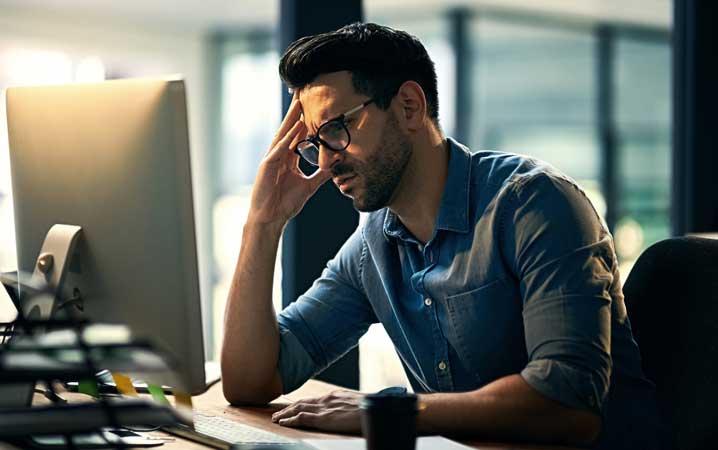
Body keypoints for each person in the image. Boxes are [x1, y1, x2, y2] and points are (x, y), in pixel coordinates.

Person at [220, 22, 660, 449]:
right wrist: (264, 221)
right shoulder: (373, 247)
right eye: (316, 141)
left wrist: (390, 412)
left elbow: (569, 403)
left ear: (409, 105)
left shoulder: (534, 205)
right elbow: (252, 380)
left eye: (337, 128)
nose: (327, 161)